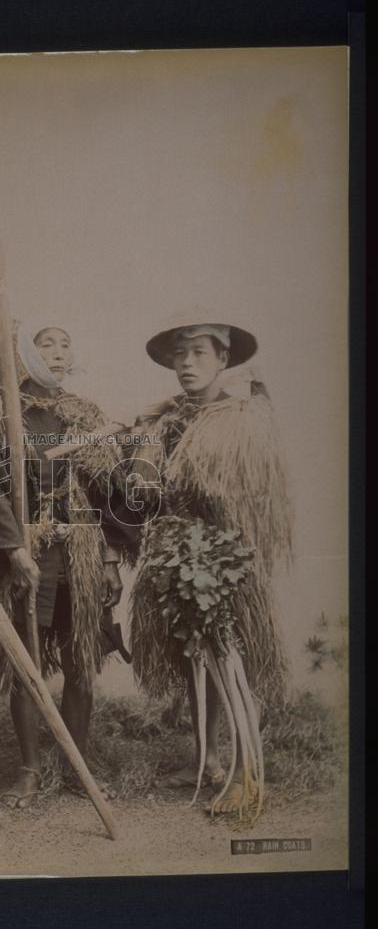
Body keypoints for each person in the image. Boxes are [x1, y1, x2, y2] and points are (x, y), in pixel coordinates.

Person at [0, 325, 138, 808]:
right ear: (24, 355)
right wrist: (14, 551)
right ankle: (30, 769)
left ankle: (77, 766)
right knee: (25, 666)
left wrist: (111, 561)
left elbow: (105, 495)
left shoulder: (83, 415)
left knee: (80, 664)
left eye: (65, 343)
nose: (57, 353)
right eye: (45, 344)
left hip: (80, 556)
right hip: (24, 553)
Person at [128, 309, 293, 817]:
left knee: (232, 660)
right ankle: (207, 756)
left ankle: (248, 776)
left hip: (228, 560)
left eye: (198, 352)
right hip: (176, 557)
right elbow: (143, 488)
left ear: (223, 358)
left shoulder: (241, 417)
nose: (186, 363)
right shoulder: (165, 418)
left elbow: (243, 496)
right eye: (180, 353)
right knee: (193, 662)